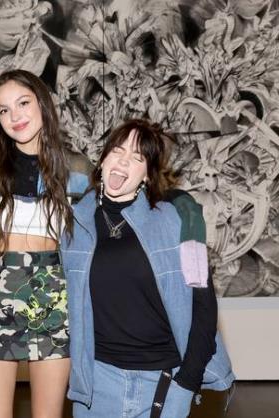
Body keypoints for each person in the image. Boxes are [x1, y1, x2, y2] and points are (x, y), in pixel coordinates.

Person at [60, 119, 235, 418]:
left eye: (137, 158)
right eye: (117, 151)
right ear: (103, 160)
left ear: (147, 175)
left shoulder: (180, 220)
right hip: (97, 385)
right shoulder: (75, 224)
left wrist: (187, 382)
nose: (123, 161)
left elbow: (204, 308)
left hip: (163, 384)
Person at [0, 69, 91, 418]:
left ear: (42, 104)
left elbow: (90, 241)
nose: (15, 116)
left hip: (54, 293)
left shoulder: (77, 167)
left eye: (22, 103)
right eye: (4, 110)